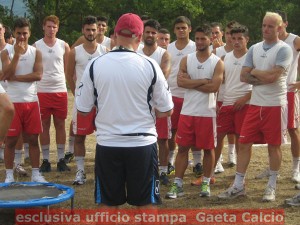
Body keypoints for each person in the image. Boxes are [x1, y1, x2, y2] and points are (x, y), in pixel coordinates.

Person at [76, 13, 173, 207]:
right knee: (146, 205)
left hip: (108, 143)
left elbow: (83, 109)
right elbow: (167, 109)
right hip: (142, 143)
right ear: (139, 36)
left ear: (115, 34)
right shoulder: (150, 65)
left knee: (108, 205)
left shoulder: (95, 65)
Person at [218, 12, 292, 202]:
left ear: (279, 28)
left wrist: (256, 72)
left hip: (275, 105)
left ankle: (271, 186)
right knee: (244, 143)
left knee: (274, 146)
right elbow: (244, 76)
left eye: (270, 26)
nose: (266, 29)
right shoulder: (254, 48)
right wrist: (263, 75)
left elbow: (272, 77)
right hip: (255, 105)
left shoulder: (284, 49)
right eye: (264, 25)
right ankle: (238, 185)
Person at [165, 24, 224, 199]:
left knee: (208, 149)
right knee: (182, 148)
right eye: (197, 39)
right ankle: (178, 184)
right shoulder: (187, 60)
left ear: (210, 39)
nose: (199, 42)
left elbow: (214, 87)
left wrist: (194, 82)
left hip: (207, 113)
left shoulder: (217, 62)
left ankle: (206, 182)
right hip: (188, 112)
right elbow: (181, 83)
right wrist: (204, 81)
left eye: (202, 39)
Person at [256, 10, 300, 184]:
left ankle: (296, 167)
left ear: (284, 25)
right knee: (271, 132)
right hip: (269, 93)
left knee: (292, 129)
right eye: (266, 25)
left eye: (274, 25)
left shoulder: (294, 40)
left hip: (288, 91)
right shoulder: (267, 43)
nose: (270, 28)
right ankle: (272, 167)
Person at [1, 17, 47, 183]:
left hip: (31, 101)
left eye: (24, 33)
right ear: (13, 32)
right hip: (13, 103)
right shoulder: (6, 52)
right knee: (11, 141)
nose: (21, 37)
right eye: (19, 33)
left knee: (34, 139)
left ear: (30, 33)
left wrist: (16, 77)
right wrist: (18, 56)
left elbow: (38, 75)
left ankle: (36, 173)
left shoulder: (36, 52)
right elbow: (6, 73)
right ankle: (9, 175)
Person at [66, 15, 107, 185]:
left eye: (93, 29)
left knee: (104, 137)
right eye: (88, 29)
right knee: (80, 136)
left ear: (98, 30)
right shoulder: (75, 51)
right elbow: (68, 75)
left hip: (102, 102)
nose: (91, 32)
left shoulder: (105, 51)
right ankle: (80, 171)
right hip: (82, 102)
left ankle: (103, 172)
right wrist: (78, 95)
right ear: (83, 30)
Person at [34, 15, 70, 172]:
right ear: (43, 27)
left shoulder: (64, 45)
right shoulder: (36, 46)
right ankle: (46, 160)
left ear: (58, 28)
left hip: (60, 90)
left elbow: (68, 69)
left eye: (54, 27)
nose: (51, 29)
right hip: (42, 90)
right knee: (44, 126)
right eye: (48, 26)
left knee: (60, 124)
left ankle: (61, 159)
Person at [137, 19, 171, 185]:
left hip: (158, 102)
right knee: (140, 137)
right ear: (142, 33)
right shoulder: (135, 52)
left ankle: (163, 171)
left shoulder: (163, 54)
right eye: (147, 32)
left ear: (157, 35)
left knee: (163, 139)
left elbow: (163, 75)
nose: (150, 35)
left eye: (153, 32)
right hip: (139, 103)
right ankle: (143, 170)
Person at [167, 16, 196, 176]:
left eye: (184, 27)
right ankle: (170, 159)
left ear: (189, 29)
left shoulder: (195, 47)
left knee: (192, 130)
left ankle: (197, 161)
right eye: (178, 28)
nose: (181, 30)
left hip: (191, 95)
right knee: (172, 130)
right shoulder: (169, 48)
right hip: (172, 94)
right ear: (174, 30)